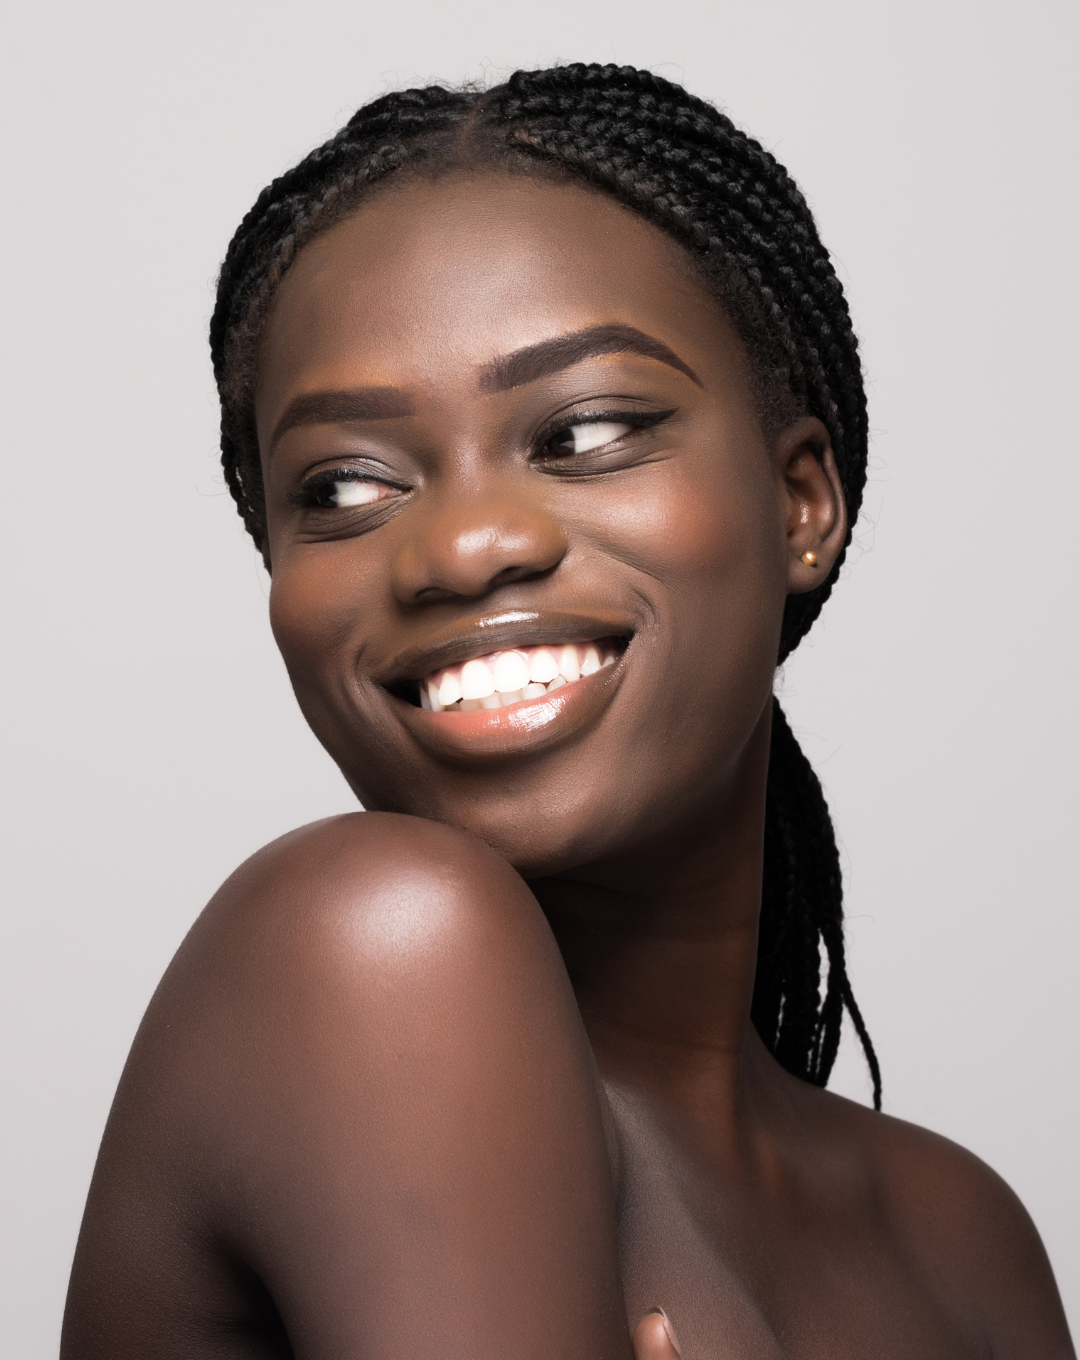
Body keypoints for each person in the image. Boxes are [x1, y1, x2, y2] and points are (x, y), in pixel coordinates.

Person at [60, 64, 1074, 1359]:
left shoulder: (962, 1237)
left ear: (801, 503)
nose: (465, 546)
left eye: (588, 433)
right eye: (346, 486)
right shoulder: (382, 948)